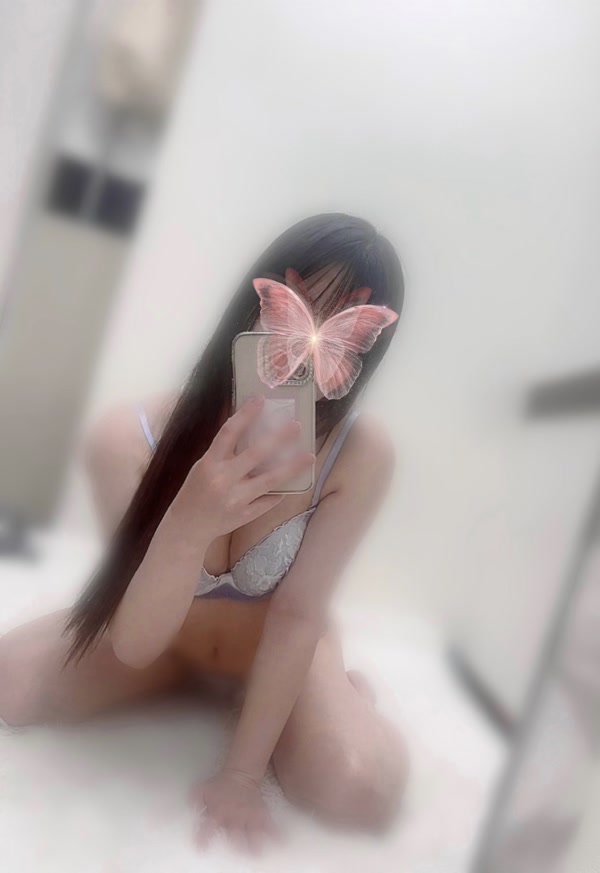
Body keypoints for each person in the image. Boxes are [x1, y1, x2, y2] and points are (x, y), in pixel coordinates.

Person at [0, 212, 409, 855]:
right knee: (11, 686)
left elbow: (297, 615)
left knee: (360, 791)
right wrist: (189, 521)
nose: (307, 345)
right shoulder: (126, 439)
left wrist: (242, 775)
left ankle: (330, 689)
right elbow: (135, 642)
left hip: (278, 648)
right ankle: (193, 686)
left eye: (342, 327)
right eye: (299, 307)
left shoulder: (359, 455)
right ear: (259, 295)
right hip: (161, 646)